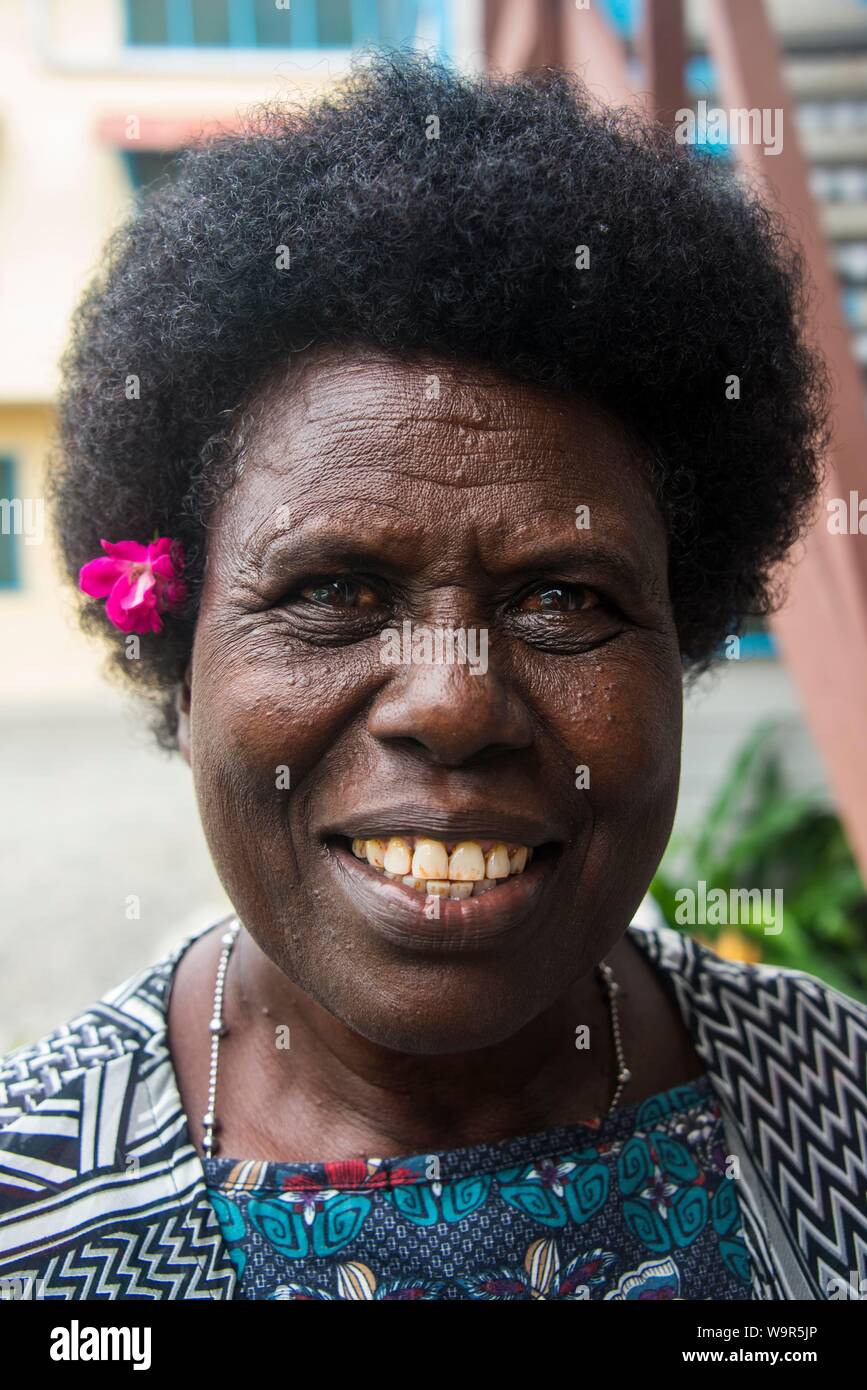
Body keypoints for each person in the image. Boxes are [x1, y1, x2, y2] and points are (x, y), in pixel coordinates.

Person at [1, 54, 864, 1303]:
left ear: (681, 643)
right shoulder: (31, 1218)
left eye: (566, 598)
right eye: (334, 592)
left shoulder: (833, 1088)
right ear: (181, 666)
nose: (455, 705)